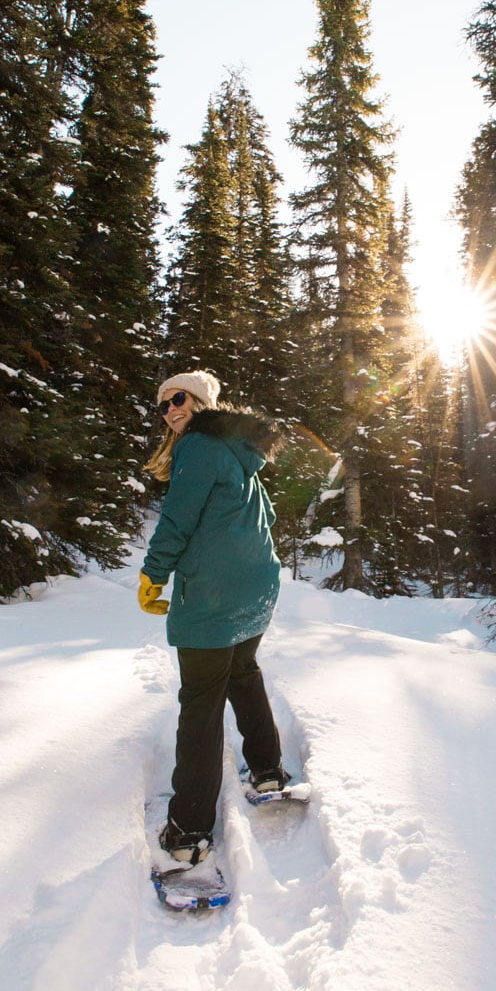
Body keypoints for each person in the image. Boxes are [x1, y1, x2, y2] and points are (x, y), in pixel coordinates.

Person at [138, 370, 286, 866]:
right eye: (163, 405)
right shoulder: (240, 451)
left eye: (179, 399)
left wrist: (153, 574)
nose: (171, 410)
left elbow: (178, 517)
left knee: (200, 705)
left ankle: (188, 831)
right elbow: (260, 520)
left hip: (215, 597)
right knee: (242, 673)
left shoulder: (199, 448)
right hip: (255, 591)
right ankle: (267, 770)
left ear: (200, 401)